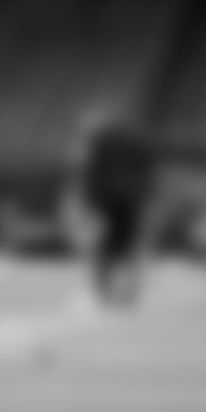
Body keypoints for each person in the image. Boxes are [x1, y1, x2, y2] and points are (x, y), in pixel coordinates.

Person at [69, 106, 159, 311]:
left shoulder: (99, 144)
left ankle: (104, 292)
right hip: (131, 199)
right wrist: (147, 193)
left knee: (104, 246)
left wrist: (87, 199)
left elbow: (91, 173)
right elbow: (147, 171)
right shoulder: (137, 141)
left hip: (108, 199)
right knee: (127, 244)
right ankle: (128, 292)